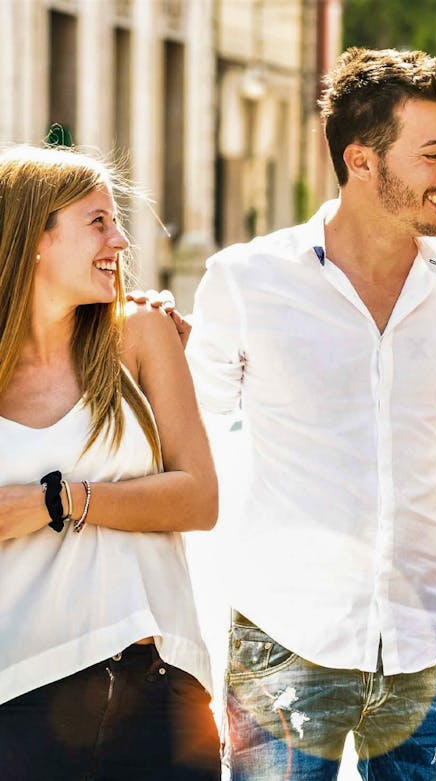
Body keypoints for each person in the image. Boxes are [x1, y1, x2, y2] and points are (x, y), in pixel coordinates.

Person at [187, 48, 436, 779]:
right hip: (284, 645)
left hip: (428, 647)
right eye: (433, 155)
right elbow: (179, 433)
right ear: (362, 160)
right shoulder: (246, 281)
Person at [0, 145, 219, 779]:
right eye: (98, 222)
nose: (120, 241)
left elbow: (199, 497)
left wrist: (60, 500)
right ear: (36, 236)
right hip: (21, 693)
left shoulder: (141, 334)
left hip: (160, 686)